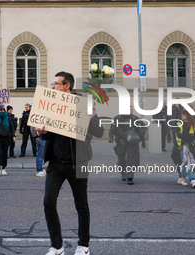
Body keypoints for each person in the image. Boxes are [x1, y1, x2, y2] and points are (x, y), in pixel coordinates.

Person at [37, 71, 104, 255]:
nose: (52, 87)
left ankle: (83, 246)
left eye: (56, 84)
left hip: (78, 163)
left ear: (67, 86)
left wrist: (92, 117)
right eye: (52, 84)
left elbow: (99, 132)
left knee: (81, 205)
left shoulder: (84, 104)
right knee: (48, 202)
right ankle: (57, 246)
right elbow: (48, 134)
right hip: (56, 164)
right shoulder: (51, 105)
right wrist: (42, 132)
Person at [109, 106, 146, 185]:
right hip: (121, 142)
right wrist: (111, 138)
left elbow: (141, 129)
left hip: (132, 143)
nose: (130, 111)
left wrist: (142, 140)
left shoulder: (135, 118)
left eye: (131, 109)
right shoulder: (117, 118)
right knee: (121, 159)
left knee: (131, 159)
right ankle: (123, 173)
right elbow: (112, 129)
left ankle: (130, 177)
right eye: (129, 109)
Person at [172, 110, 195, 188]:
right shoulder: (179, 123)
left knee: (186, 163)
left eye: (184, 114)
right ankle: (193, 180)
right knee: (188, 163)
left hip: (190, 146)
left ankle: (181, 178)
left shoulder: (193, 124)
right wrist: (189, 135)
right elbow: (179, 136)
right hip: (182, 146)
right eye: (181, 115)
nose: (182, 116)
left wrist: (185, 135)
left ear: (188, 115)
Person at [0, 104, 16, 177]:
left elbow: (12, 127)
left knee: (5, 153)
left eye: (3, 109)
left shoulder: (8, 117)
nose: (2, 111)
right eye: (0, 109)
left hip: (6, 137)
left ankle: (4, 168)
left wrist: (14, 136)